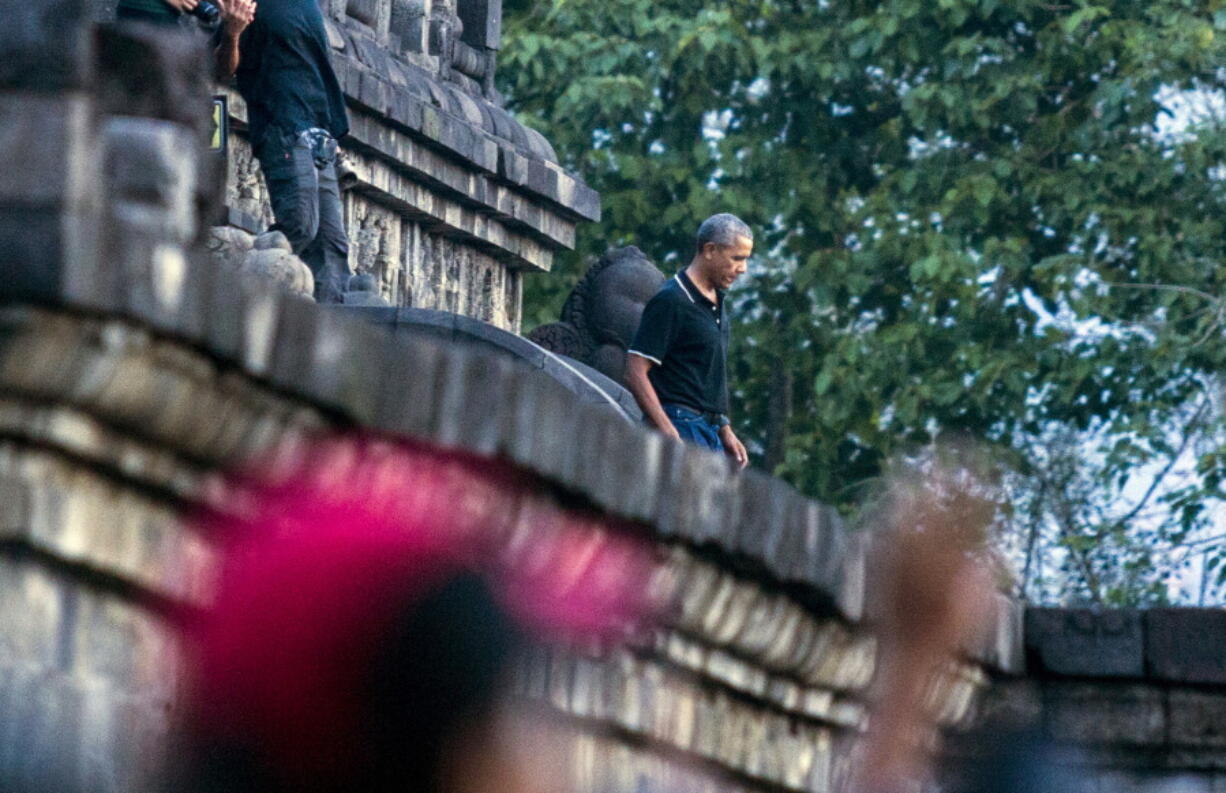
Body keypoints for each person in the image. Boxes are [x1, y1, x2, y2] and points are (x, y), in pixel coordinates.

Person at [214, 0, 352, 303]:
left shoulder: (308, 5)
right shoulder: (246, 3)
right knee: (299, 224)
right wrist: (233, 32)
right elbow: (221, 67)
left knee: (332, 250)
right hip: (283, 128)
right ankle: (233, 287)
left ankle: (321, 336)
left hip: (320, 136)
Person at [625, 213, 751, 468]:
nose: (743, 268)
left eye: (746, 259)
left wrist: (723, 426)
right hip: (679, 424)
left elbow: (702, 372)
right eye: (737, 258)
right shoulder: (672, 300)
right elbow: (635, 370)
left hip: (709, 430)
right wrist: (669, 432)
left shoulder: (718, 299)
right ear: (710, 250)